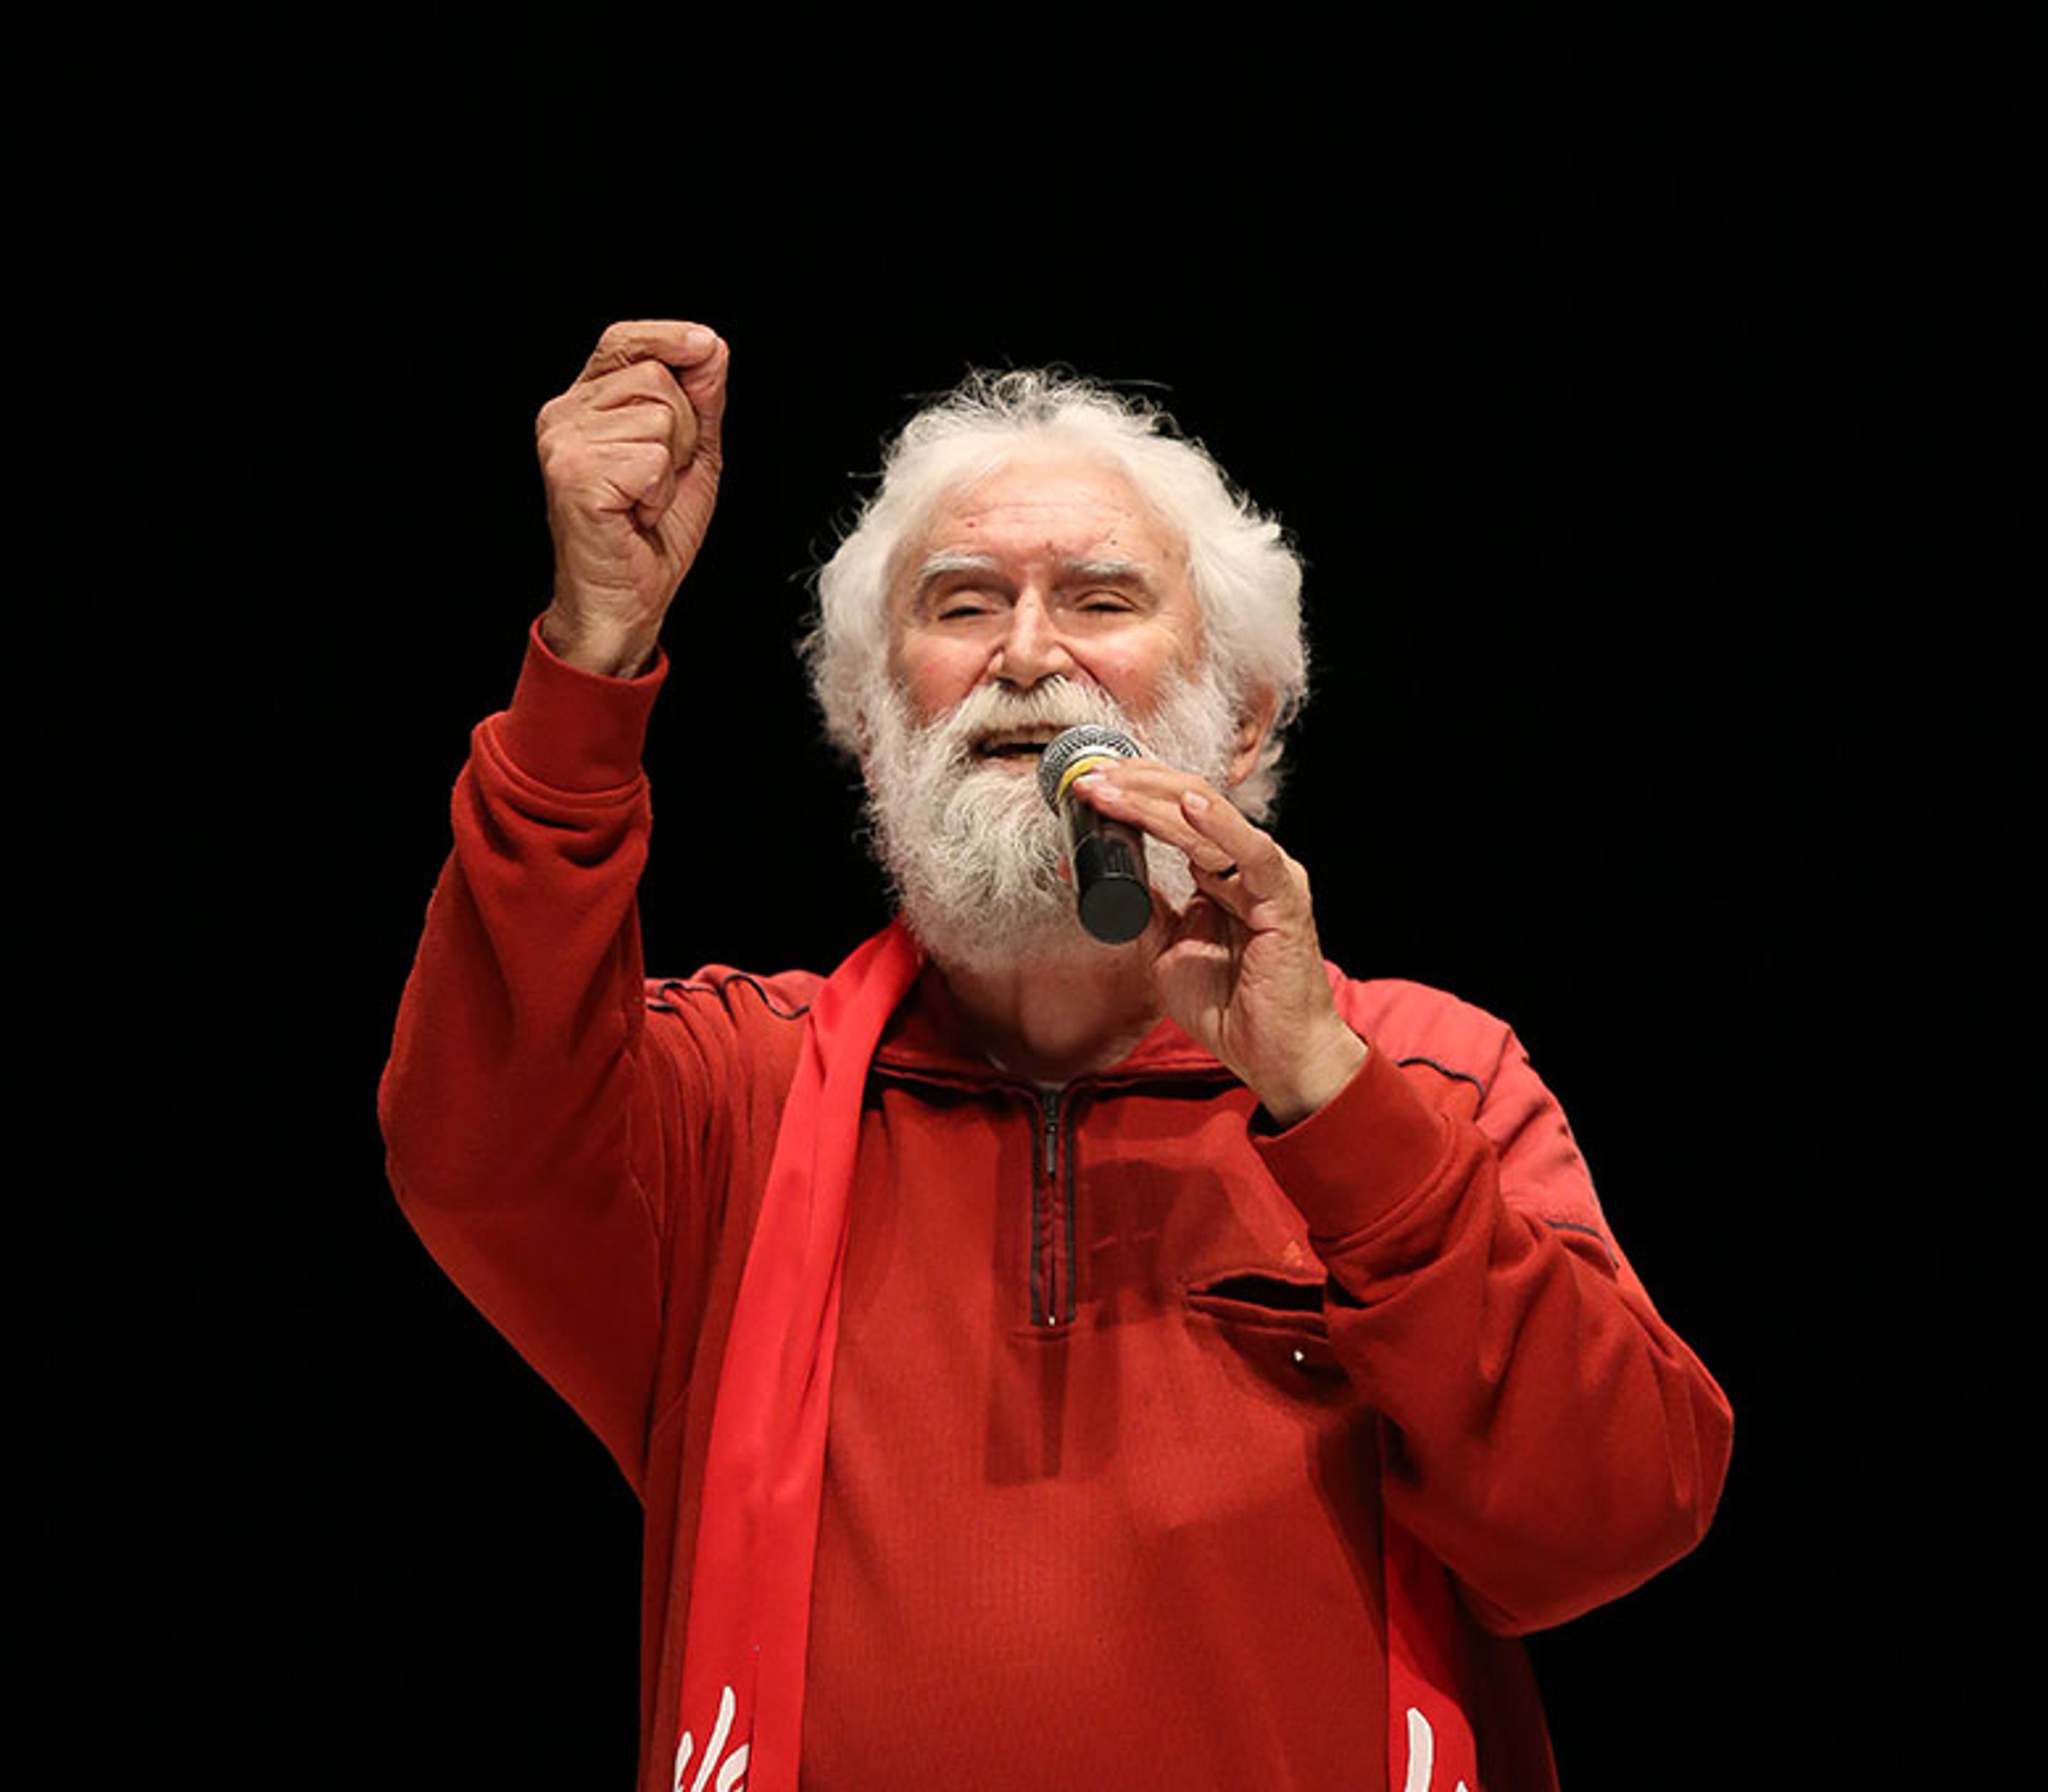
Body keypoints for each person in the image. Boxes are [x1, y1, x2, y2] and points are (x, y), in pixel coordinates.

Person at [379, 320, 1732, 1792]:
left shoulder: (1421, 1072)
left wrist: (1332, 1101)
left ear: (1242, 723)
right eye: (962, 605)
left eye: (1100, 598)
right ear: (869, 715)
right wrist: (591, 657)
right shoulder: (732, 1093)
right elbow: (477, 1147)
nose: (1028, 657)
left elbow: (1614, 1514)